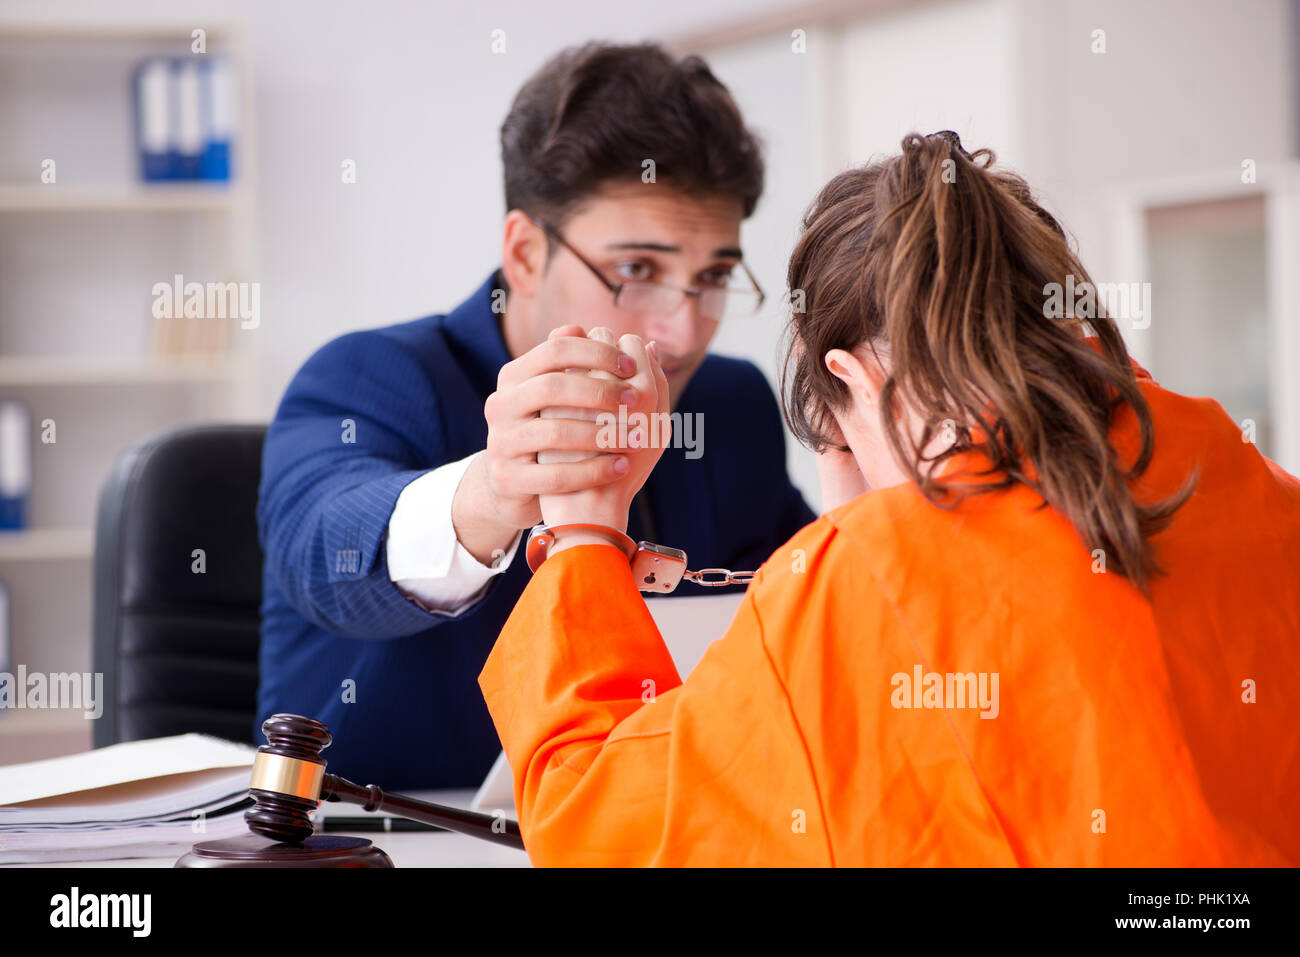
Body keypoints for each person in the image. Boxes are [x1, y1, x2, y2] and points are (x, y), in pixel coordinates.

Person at [478, 131, 1300, 866]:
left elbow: (595, 824)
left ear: (850, 377)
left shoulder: (853, 587)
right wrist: (859, 525)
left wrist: (585, 534)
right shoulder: (1261, 493)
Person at [255, 42, 814, 788]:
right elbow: (323, 550)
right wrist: (491, 493)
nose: (682, 335)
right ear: (523, 254)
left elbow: (817, 612)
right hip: (390, 841)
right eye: (637, 271)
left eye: (711, 276)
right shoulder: (371, 377)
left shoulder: (730, 405)